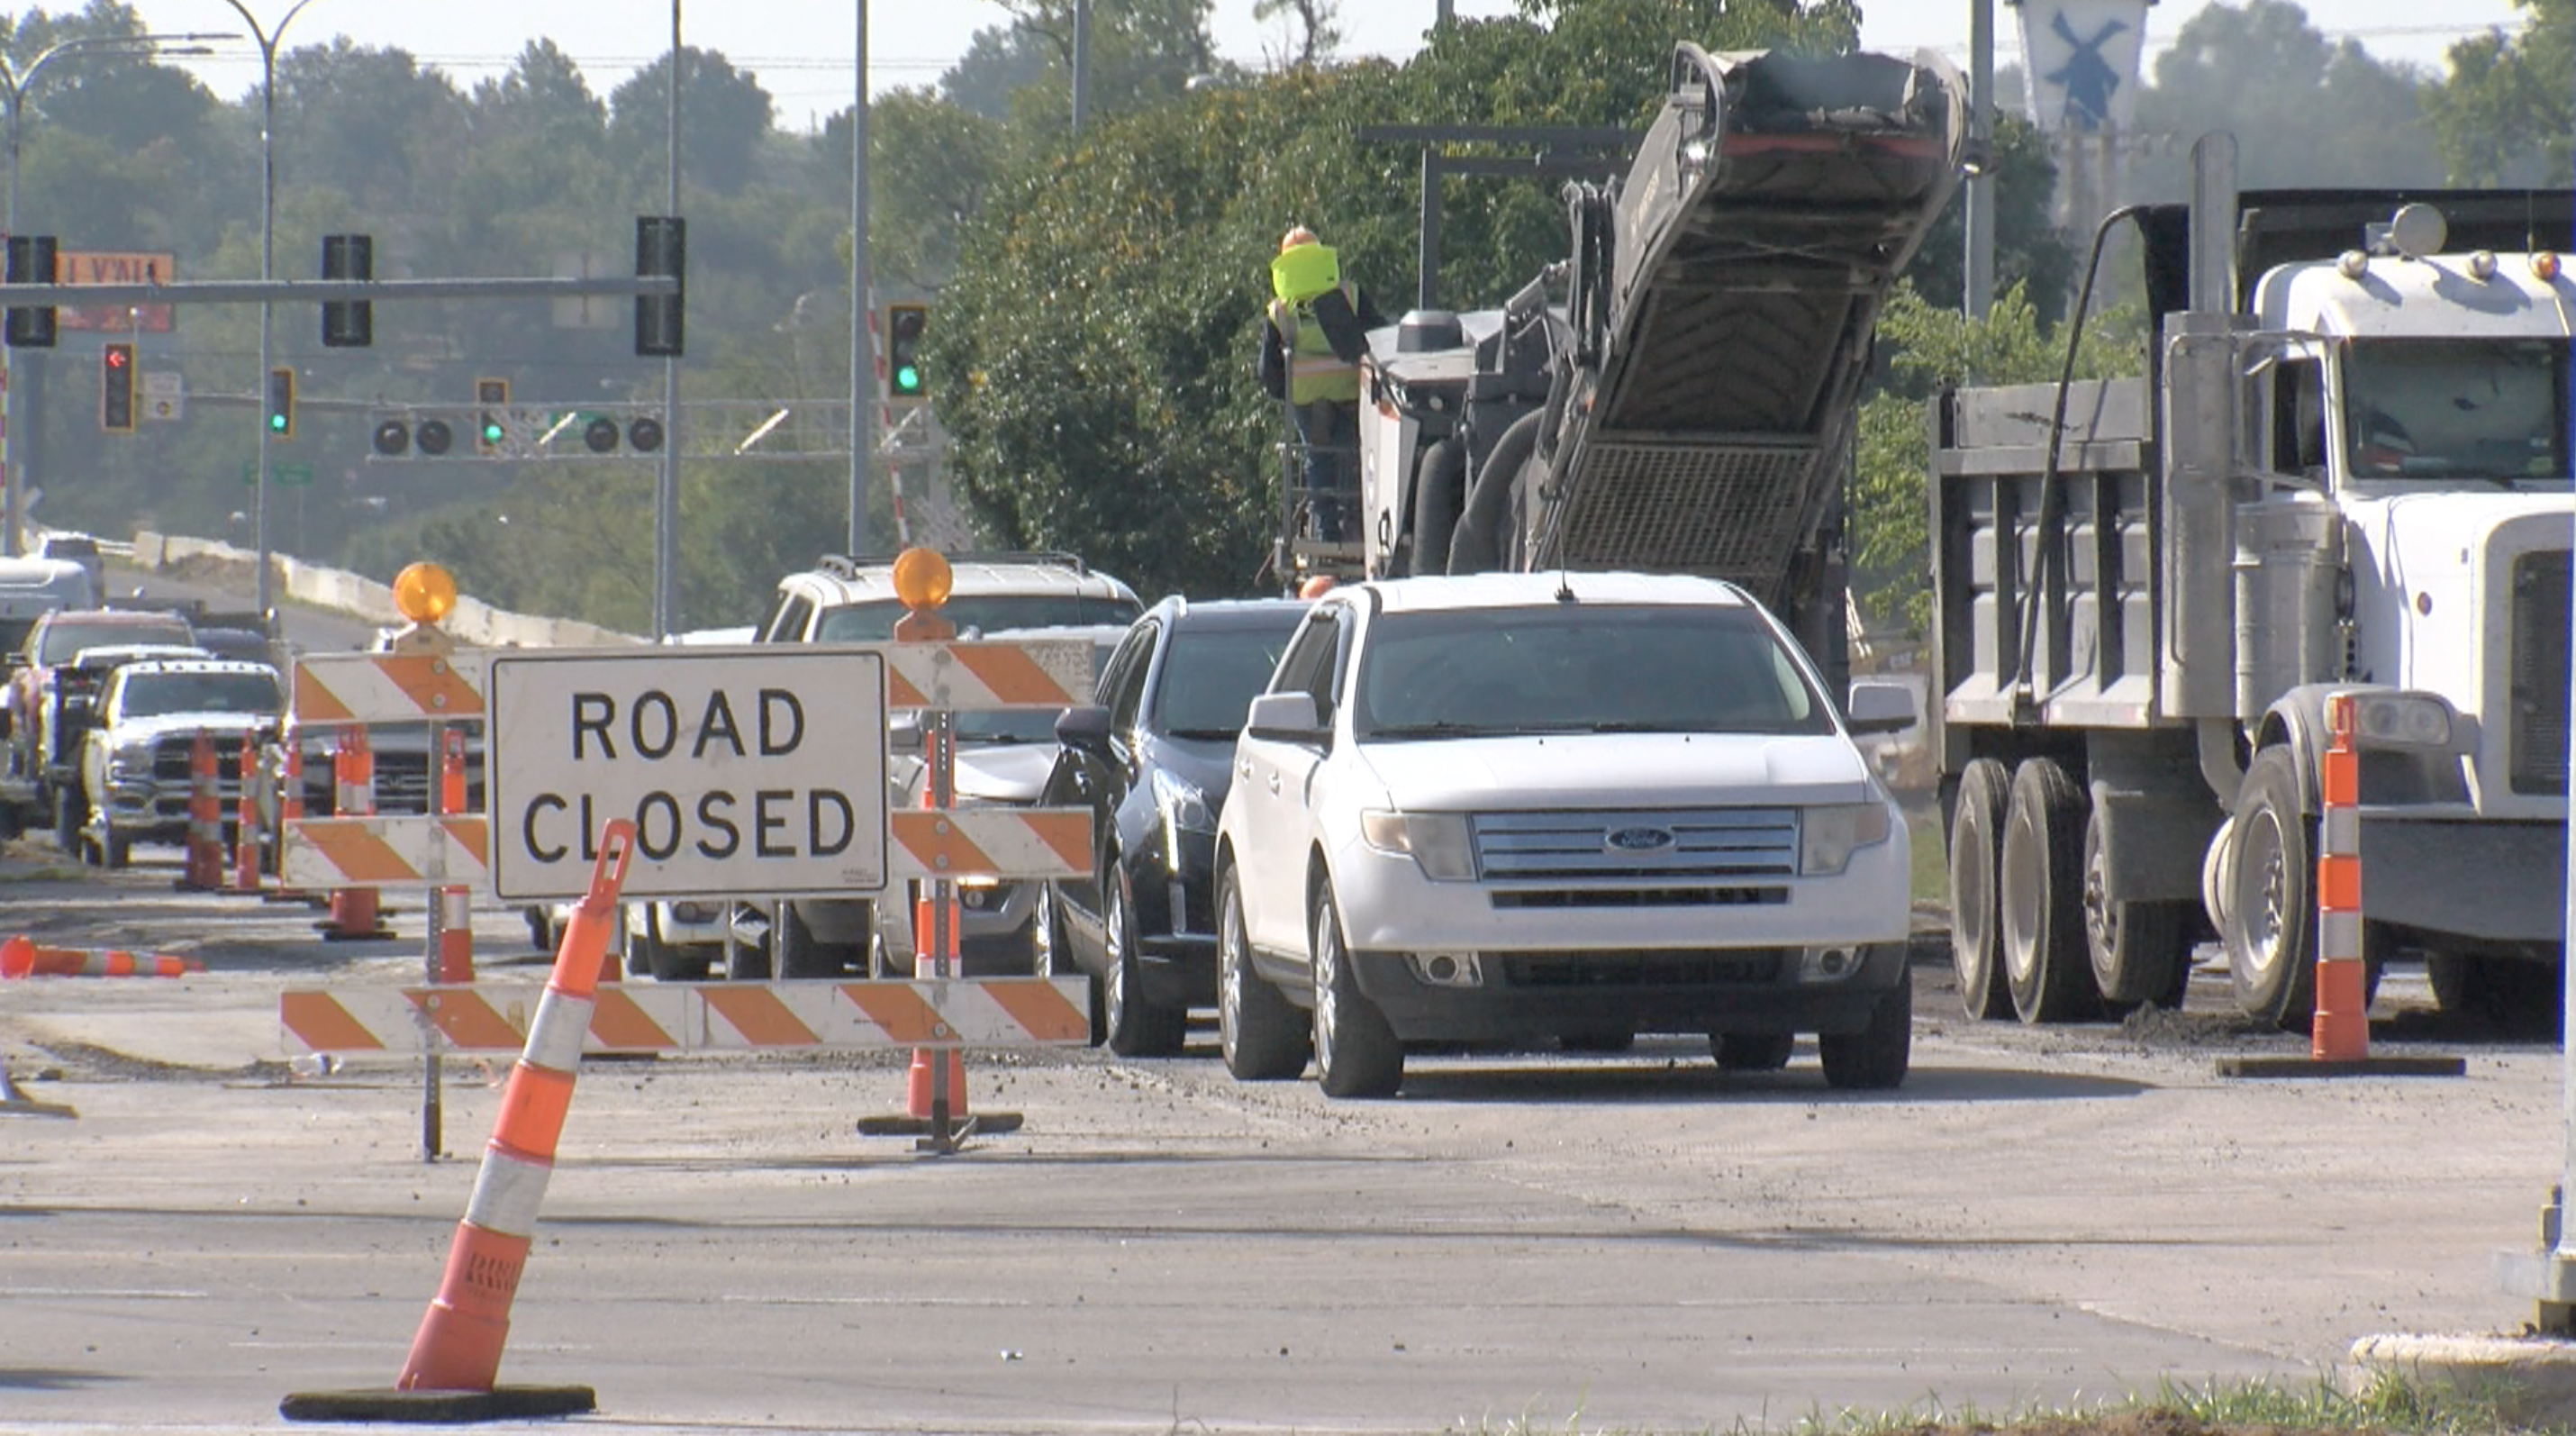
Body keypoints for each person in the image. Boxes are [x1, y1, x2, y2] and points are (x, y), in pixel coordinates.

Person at [1258, 225, 1386, 544]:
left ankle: (1326, 531)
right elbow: (1382, 339)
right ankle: (1357, 522)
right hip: (1349, 394)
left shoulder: (1281, 310)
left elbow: (1267, 369)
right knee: (1354, 455)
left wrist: (1284, 393)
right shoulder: (1350, 296)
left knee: (1317, 459)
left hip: (1306, 399)